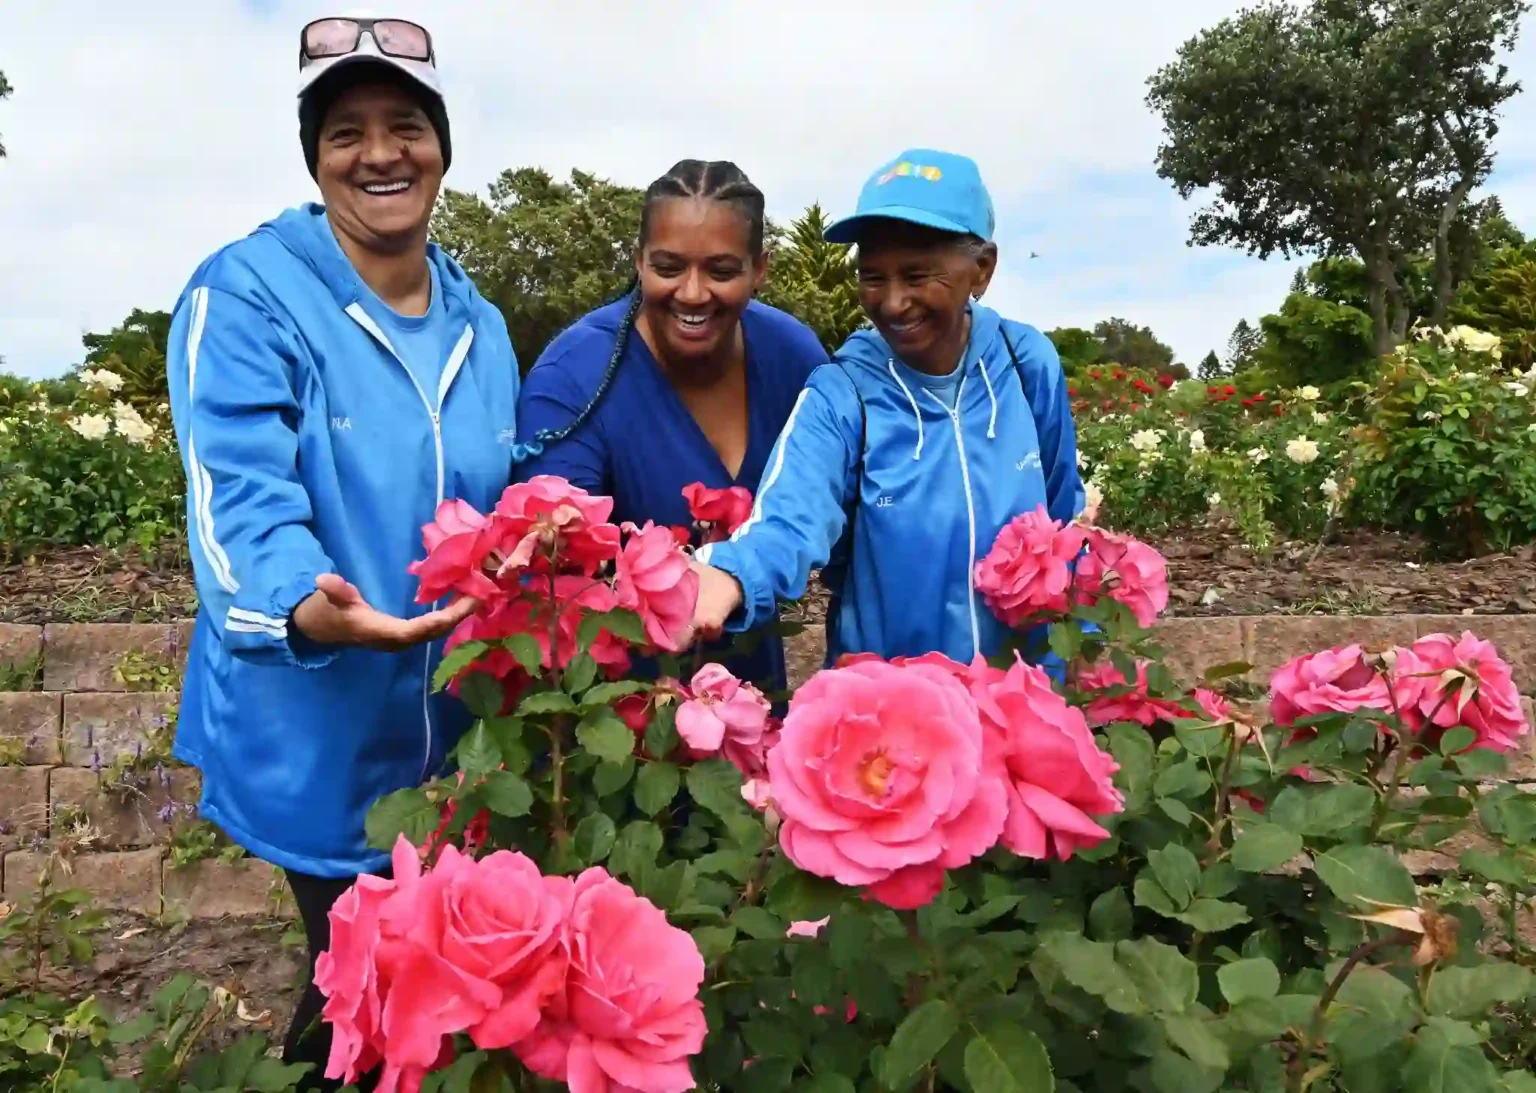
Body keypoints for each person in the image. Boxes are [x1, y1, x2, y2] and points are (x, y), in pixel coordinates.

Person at [163, 15, 518, 1087]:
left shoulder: (480, 321)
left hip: (450, 728)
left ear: (442, 148)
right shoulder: (247, 292)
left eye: (405, 125)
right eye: (345, 131)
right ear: (314, 157)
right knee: (356, 983)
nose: (379, 153)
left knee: (417, 972)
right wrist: (302, 604)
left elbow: (502, 493)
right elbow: (237, 495)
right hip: (311, 722)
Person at [690, 149, 1084, 667]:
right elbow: (790, 515)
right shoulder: (843, 393)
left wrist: (1079, 647)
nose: (893, 303)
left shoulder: (1024, 363)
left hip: (1021, 694)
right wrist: (731, 573)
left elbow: (1062, 518)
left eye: (917, 276)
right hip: (892, 704)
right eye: (873, 277)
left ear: (981, 269)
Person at [514, 160, 829, 692]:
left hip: (754, 702)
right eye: (668, 267)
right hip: (612, 711)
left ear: (760, 269)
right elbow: (555, 575)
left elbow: (828, 503)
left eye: (722, 271)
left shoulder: (793, 357)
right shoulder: (573, 379)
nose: (693, 293)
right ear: (639, 261)